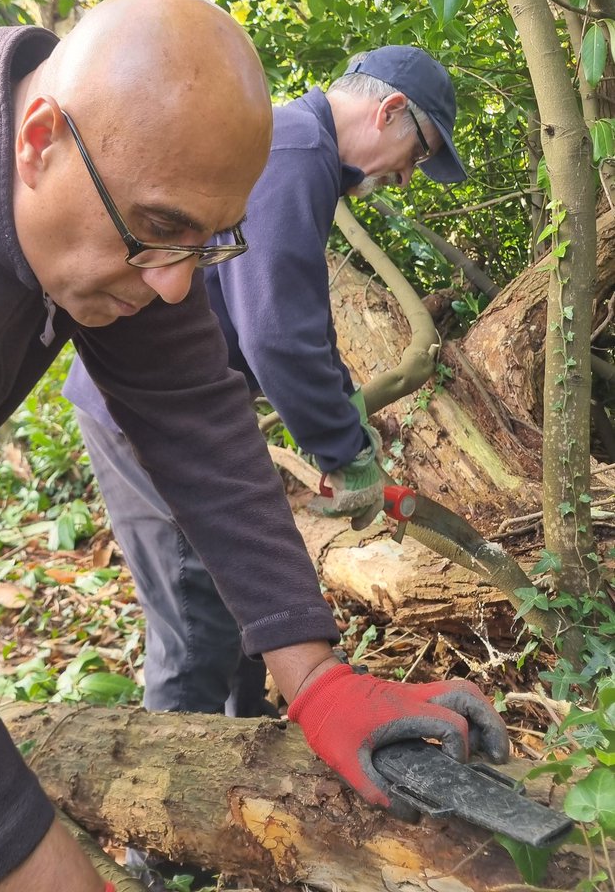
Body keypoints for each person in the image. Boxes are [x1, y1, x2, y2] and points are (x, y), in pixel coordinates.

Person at [0, 0, 506, 892]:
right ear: (37, 139)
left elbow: (199, 418)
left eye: (205, 246)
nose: (175, 289)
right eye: (163, 234)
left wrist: (316, 676)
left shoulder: (123, 182)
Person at [64, 45, 467, 721]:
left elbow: (291, 318)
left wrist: (345, 421)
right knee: (199, 624)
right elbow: (278, 334)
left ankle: (245, 753)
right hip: (146, 407)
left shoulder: (297, 150)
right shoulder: (294, 150)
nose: (406, 176)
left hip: (187, 408)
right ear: (390, 109)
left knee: (241, 593)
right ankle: (161, 817)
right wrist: (344, 451)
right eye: (419, 152)